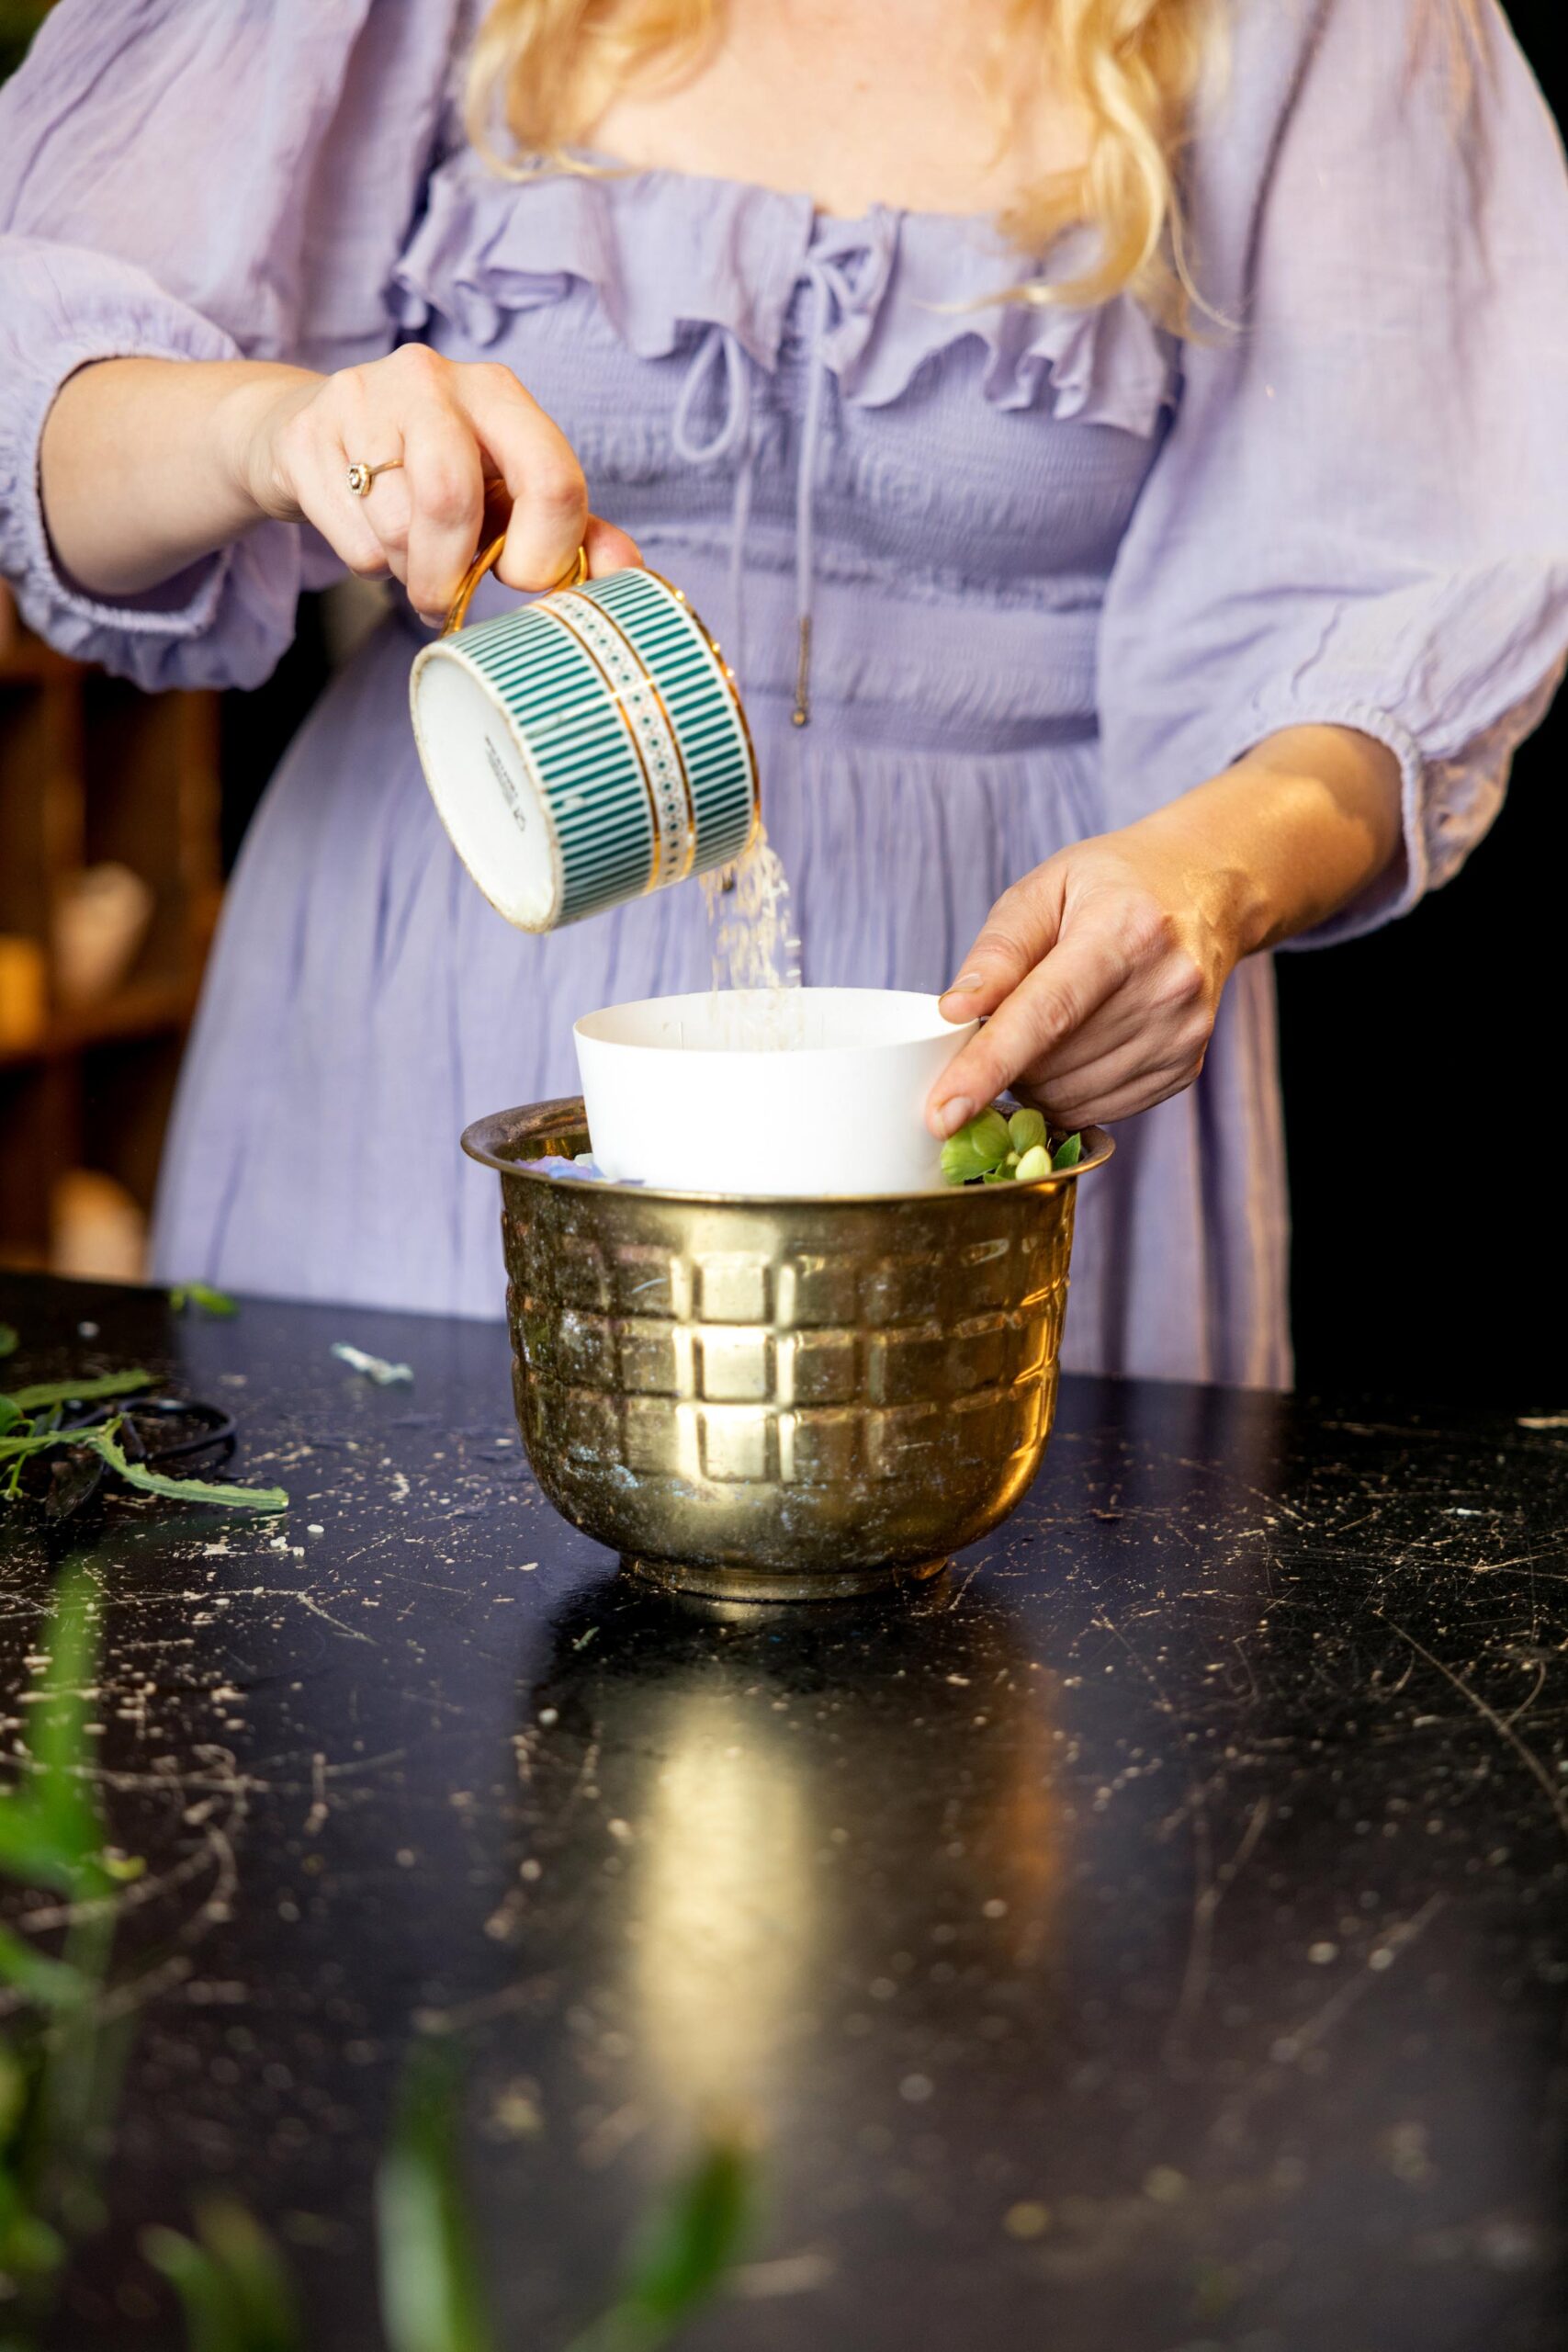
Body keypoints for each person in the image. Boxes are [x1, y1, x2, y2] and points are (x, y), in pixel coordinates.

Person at [2, 0, 1564, 1385]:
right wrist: (278, 434)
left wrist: (1210, 883)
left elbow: (1395, 638)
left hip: (993, 1021)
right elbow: (47, 432)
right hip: (443, 974)